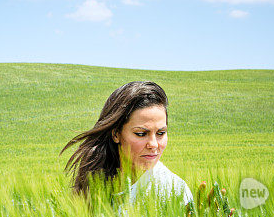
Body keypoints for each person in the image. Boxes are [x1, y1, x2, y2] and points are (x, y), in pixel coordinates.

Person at [60, 81, 194, 206]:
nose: (153, 144)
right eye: (141, 134)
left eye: (161, 133)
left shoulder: (174, 190)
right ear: (116, 134)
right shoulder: (95, 183)